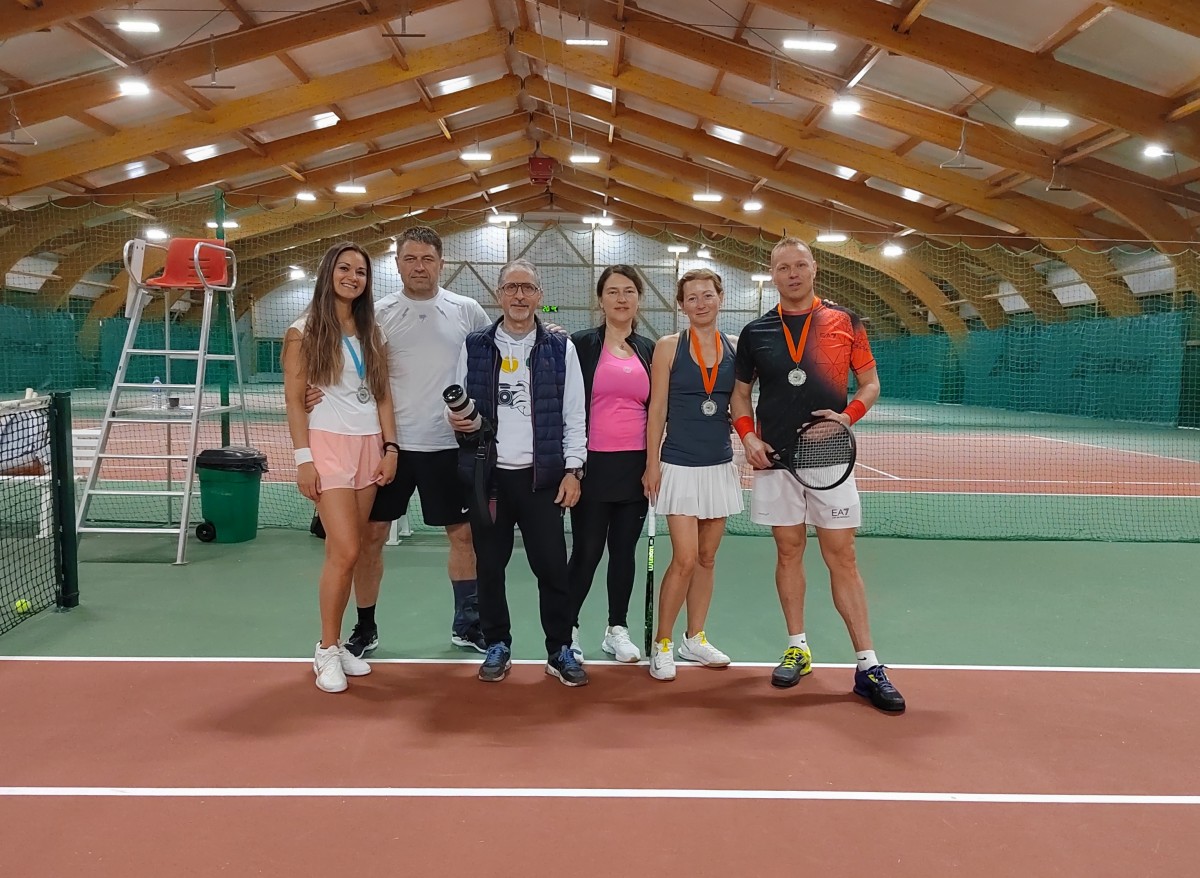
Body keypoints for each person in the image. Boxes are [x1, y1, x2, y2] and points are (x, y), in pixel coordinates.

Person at [731, 236, 905, 712]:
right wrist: (748, 438)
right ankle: (797, 647)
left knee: (842, 556)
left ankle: (868, 665)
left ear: (815, 268)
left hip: (830, 459)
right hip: (776, 461)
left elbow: (870, 384)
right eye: (783, 267)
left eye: (800, 265)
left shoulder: (846, 321)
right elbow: (740, 394)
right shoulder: (755, 332)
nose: (792, 273)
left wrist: (846, 418)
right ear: (772, 274)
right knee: (788, 551)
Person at [306, 226, 491, 659]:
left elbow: (498, 346)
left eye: (427, 259)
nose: (419, 267)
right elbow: (343, 362)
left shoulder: (467, 310)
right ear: (398, 264)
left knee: (463, 536)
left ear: (441, 263)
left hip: (449, 446)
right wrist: (312, 391)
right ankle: (365, 628)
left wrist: (544, 326)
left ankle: (467, 625)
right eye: (410, 259)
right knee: (370, 538)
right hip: (389, 448)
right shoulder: (378, 313)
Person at [447, 258, 589, 687]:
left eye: (527, 288)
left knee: (552, 569)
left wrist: (574, 470)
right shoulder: (474, 345)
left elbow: (574, 415)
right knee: (490, 568)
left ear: (539, 296)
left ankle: (559, 649)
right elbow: (456, 405)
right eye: (511, 287)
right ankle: (497, 644)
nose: (520, 295)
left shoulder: (560, 348)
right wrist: (457, 420)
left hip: (541, 480)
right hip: (489, 479)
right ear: (499, 295)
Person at [284, 242, 398, 693]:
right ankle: (326, 648)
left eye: (361, 272)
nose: (353, 277)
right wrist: (303, 460)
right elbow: (295, 401)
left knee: (354, 549)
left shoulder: (373, 331)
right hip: (327, 445)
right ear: (329, 272)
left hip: (369, 446)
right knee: (345, 550)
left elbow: (383, 394)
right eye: (345, 268)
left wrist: (390, 447)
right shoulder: (303, 330)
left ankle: (336, 645)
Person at [643, 267, 742, 682]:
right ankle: (662, 644)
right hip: (679, 464)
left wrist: (754, 438)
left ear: (721, 298)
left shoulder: (736, 347)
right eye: (692, 298)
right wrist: (651, 464)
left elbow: (740, 403)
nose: (701, 303)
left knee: (706, 558)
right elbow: (657, 409)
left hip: (719, 464)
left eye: (708, 295)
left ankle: (694, 638)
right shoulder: (668, 347)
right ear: (681, 305)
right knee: (684, 559)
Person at [567, 265, 655, 664]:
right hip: (592, 466)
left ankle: (616, 629)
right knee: (586, 551)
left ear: (639, 298)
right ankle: (567, 628)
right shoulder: (580, 345)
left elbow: (658, 410)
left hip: (635, 467)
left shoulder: (650, 350)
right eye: (613, 291)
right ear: (600, 299)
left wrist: (652, 464)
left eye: (629, 291)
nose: (621, 298)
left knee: (624, 553)